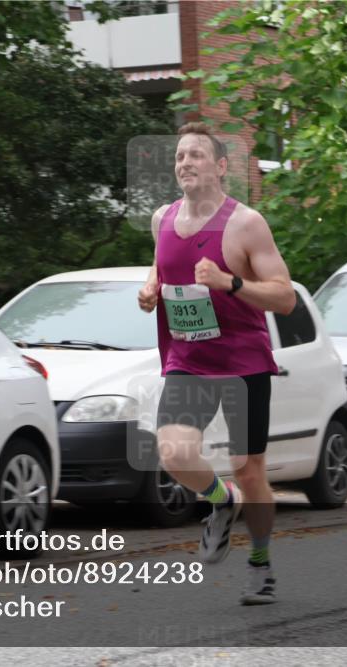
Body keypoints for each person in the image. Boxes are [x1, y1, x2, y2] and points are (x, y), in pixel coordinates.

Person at [137, 122, 296, 605]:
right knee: (174, 453)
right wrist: (150, 288)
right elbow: (163, 266)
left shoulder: (246, 224)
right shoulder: (161, 217)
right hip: (188, 357)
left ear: (222, 167)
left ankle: (262, 563)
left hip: (243, 362)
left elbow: (285, 298)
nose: (185, 163)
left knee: (248, 469)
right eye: (180, 156)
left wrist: (230, 283)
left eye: (196, 155)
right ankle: (219, 503)